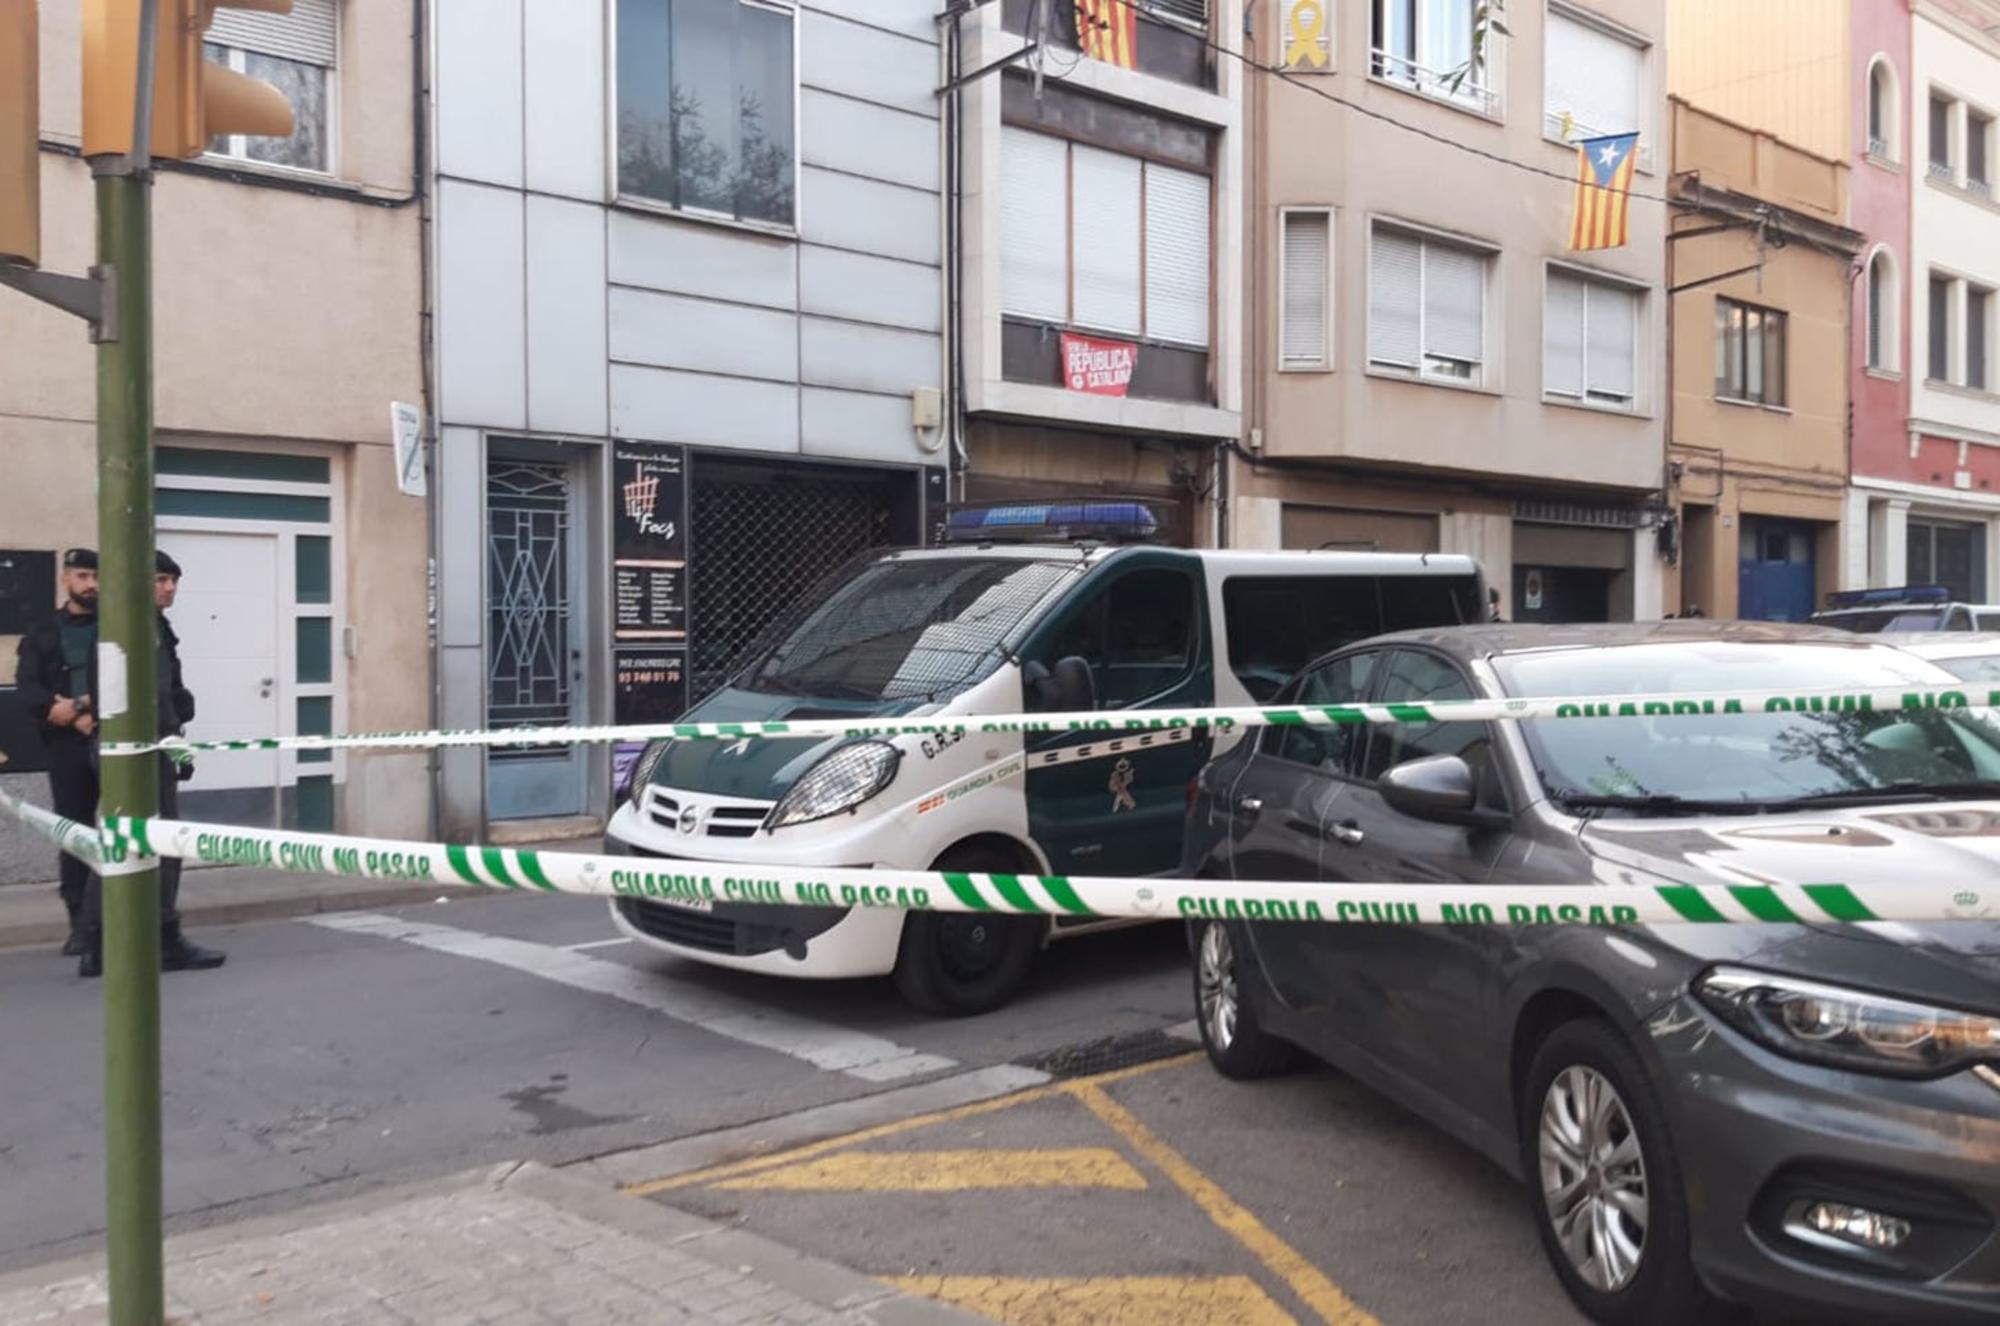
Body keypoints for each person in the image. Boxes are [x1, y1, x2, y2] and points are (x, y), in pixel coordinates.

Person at [14, 549, 101, 957]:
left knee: (127, 830)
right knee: (75, 832)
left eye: (96, 576)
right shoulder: (44, 630)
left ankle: (123, 918)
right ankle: (80, 923)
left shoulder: (117, 627)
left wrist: (83, 708)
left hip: (111, 739)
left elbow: (136, 678)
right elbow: (27, 687)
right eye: (82, 576)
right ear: (66, 579)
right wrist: (57, 710)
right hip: (65, 744)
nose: (91, 584)